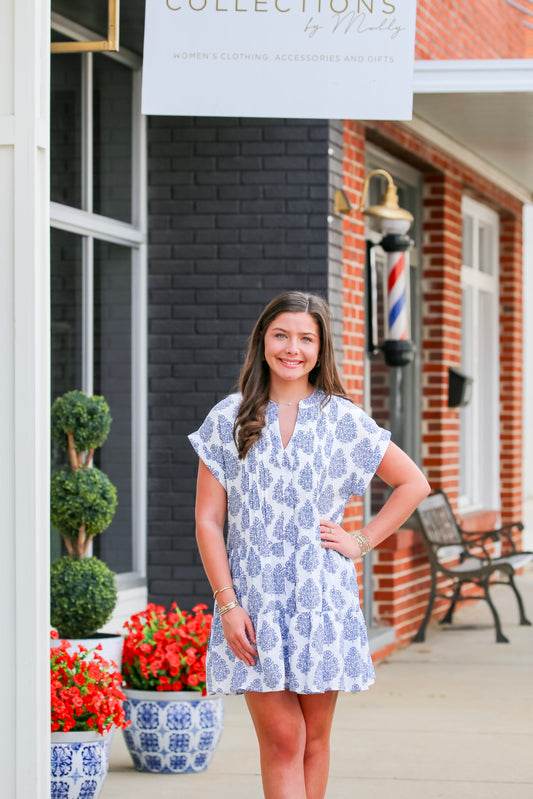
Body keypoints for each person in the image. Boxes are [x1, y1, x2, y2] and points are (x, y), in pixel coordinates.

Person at [188, 291, 430, 799]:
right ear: (263, 340)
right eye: (281, 335)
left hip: (323, 600)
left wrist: (360, 540)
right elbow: (208, 520)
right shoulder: (228, 418)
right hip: (252, 605)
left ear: (321, 349)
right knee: (283, 737)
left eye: (306, 338)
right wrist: (227, 604)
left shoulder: (342, 419)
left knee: (315, 739)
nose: (292, 348)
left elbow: (413, 484)